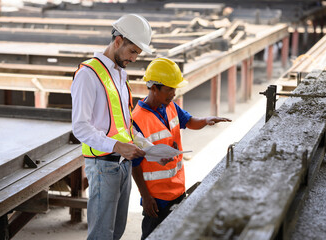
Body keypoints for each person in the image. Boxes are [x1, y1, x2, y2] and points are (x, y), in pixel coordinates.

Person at [71, 14, 153, 240]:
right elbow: (80, 127)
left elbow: (124, 123)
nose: (135, 58)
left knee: (116, 232)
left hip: (123, 163)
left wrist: (147, 146)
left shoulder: (119, 73)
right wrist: (117, 146)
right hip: (102, 165)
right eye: (133, 51)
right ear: (118, 41)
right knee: (101, 235)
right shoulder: (88, 74)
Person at [131, 58, 232, 240]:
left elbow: (190, 121)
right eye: (169, 89)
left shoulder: (170, 107)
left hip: (177, 189)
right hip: (156, 198)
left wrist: (206, 120)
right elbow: (135, 164)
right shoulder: (137, 120)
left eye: (174, 88)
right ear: (154, 88)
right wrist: (146, 198)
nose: (173, 93)